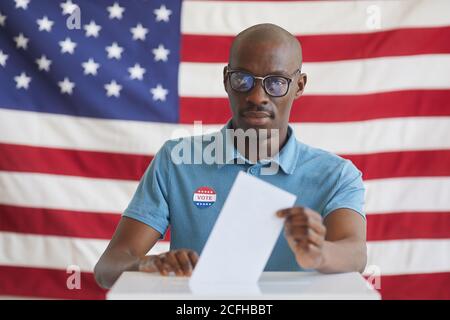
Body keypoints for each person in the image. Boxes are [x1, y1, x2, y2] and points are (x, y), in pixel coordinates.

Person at [94, 23, 367, 289]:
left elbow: (355, 255)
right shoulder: (177, 161)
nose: (257, 96)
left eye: (276, 82)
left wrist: (320, 254)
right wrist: (152, 264)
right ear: (227, 80)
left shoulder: (336, 174)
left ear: (299, 85)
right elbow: (108, 268)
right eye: (243, 79)